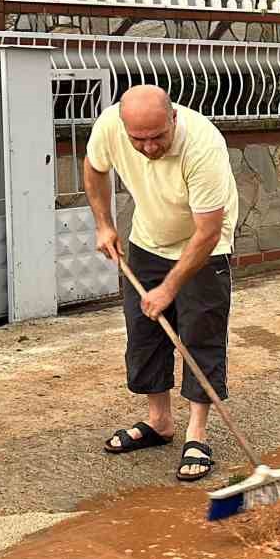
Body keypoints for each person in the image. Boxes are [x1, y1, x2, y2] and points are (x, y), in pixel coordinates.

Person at [84, 85, 239, 482]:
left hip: (204, 244)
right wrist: (104, 223)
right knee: (144, 333)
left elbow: (207, 230)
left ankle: (197, 434)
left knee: (199, 332)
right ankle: (160, 423)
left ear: (173, 119)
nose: (150, 147)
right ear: (123, 126)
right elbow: (94, 167)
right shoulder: (109, 128)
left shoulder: (203, 144)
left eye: (158, 137)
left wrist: (170, 287)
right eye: (139, 139)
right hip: (148, 240)